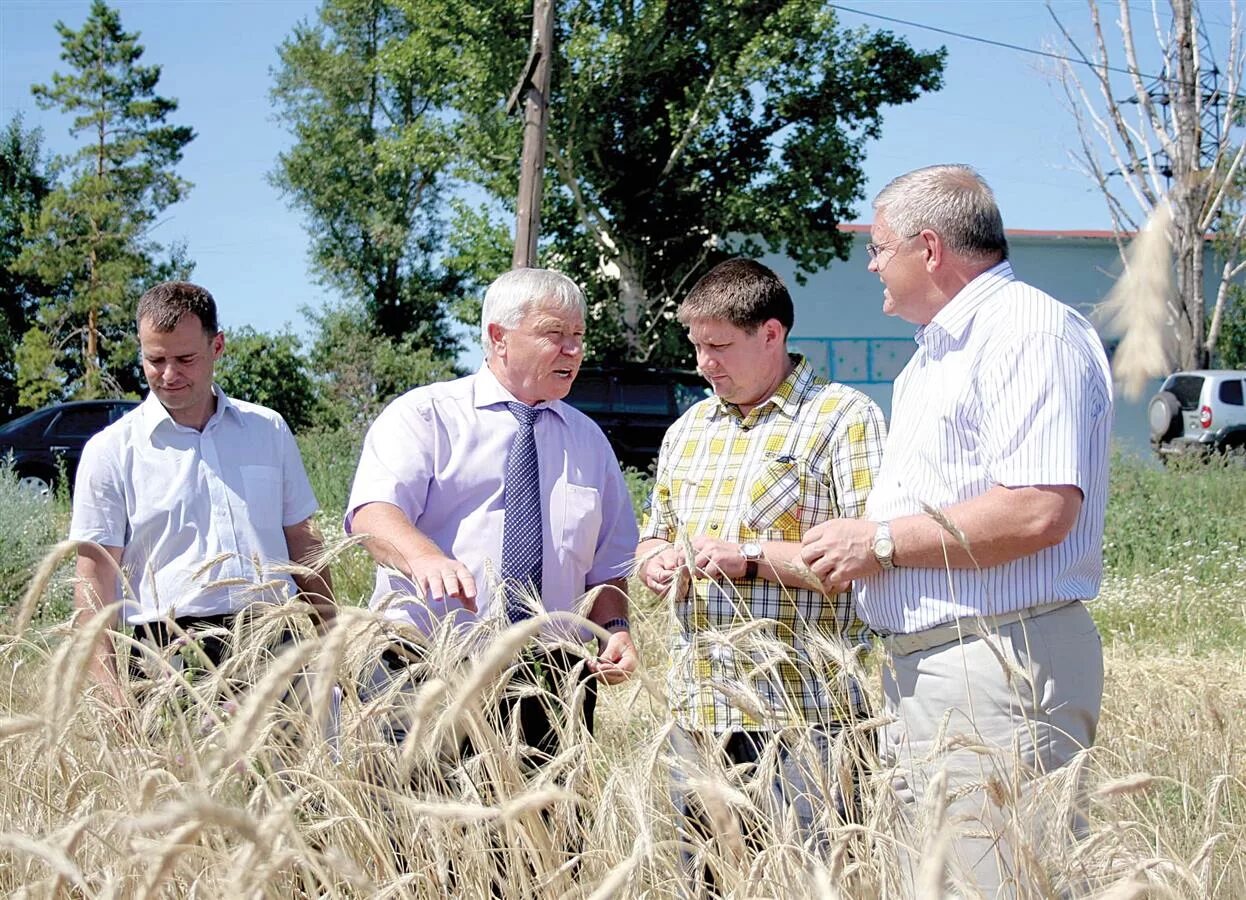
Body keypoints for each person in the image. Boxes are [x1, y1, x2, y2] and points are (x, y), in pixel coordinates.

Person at [800, 165, 1112, 896]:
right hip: (940, 667)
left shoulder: (1026, 333)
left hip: (997, 662)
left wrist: (876, 543)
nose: (871, 264)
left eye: (878, 248)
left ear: (930, 249)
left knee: (999, 881)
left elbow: (1038, 507)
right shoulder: (935, 356)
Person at [635, 258, 886, 884]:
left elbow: (869, 558)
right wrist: (656, 561)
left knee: (815, 880)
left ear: (771, 334)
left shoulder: (843, 419)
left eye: (718, 346)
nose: (703, 364)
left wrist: (747, 560)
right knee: (707, 883)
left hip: (809, 715)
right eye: (695, 347)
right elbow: (653, 535)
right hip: (700, 710)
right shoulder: (688, 429)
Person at [345, 267, 639, 764]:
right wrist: (423, 557)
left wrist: (617, 628)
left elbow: (608, 566)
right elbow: (373, 514)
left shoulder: (589, 440)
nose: (573, 350)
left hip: (551, 678)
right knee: (418, 833)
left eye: (578, 336)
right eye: (554, 334)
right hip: (427, 666)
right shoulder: (426, 416)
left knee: (542, 837)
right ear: (499, 337)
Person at [71, 281, 335, 707]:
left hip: (275, 641)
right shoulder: (112, 451)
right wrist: (112, 695)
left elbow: (303, 542)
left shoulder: (267, 431)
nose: (169, 374)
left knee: (288, 773)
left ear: (217, 347)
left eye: (185, 359)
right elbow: (95, 577)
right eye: (154, 359)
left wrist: (331, 638)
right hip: (169, 654)